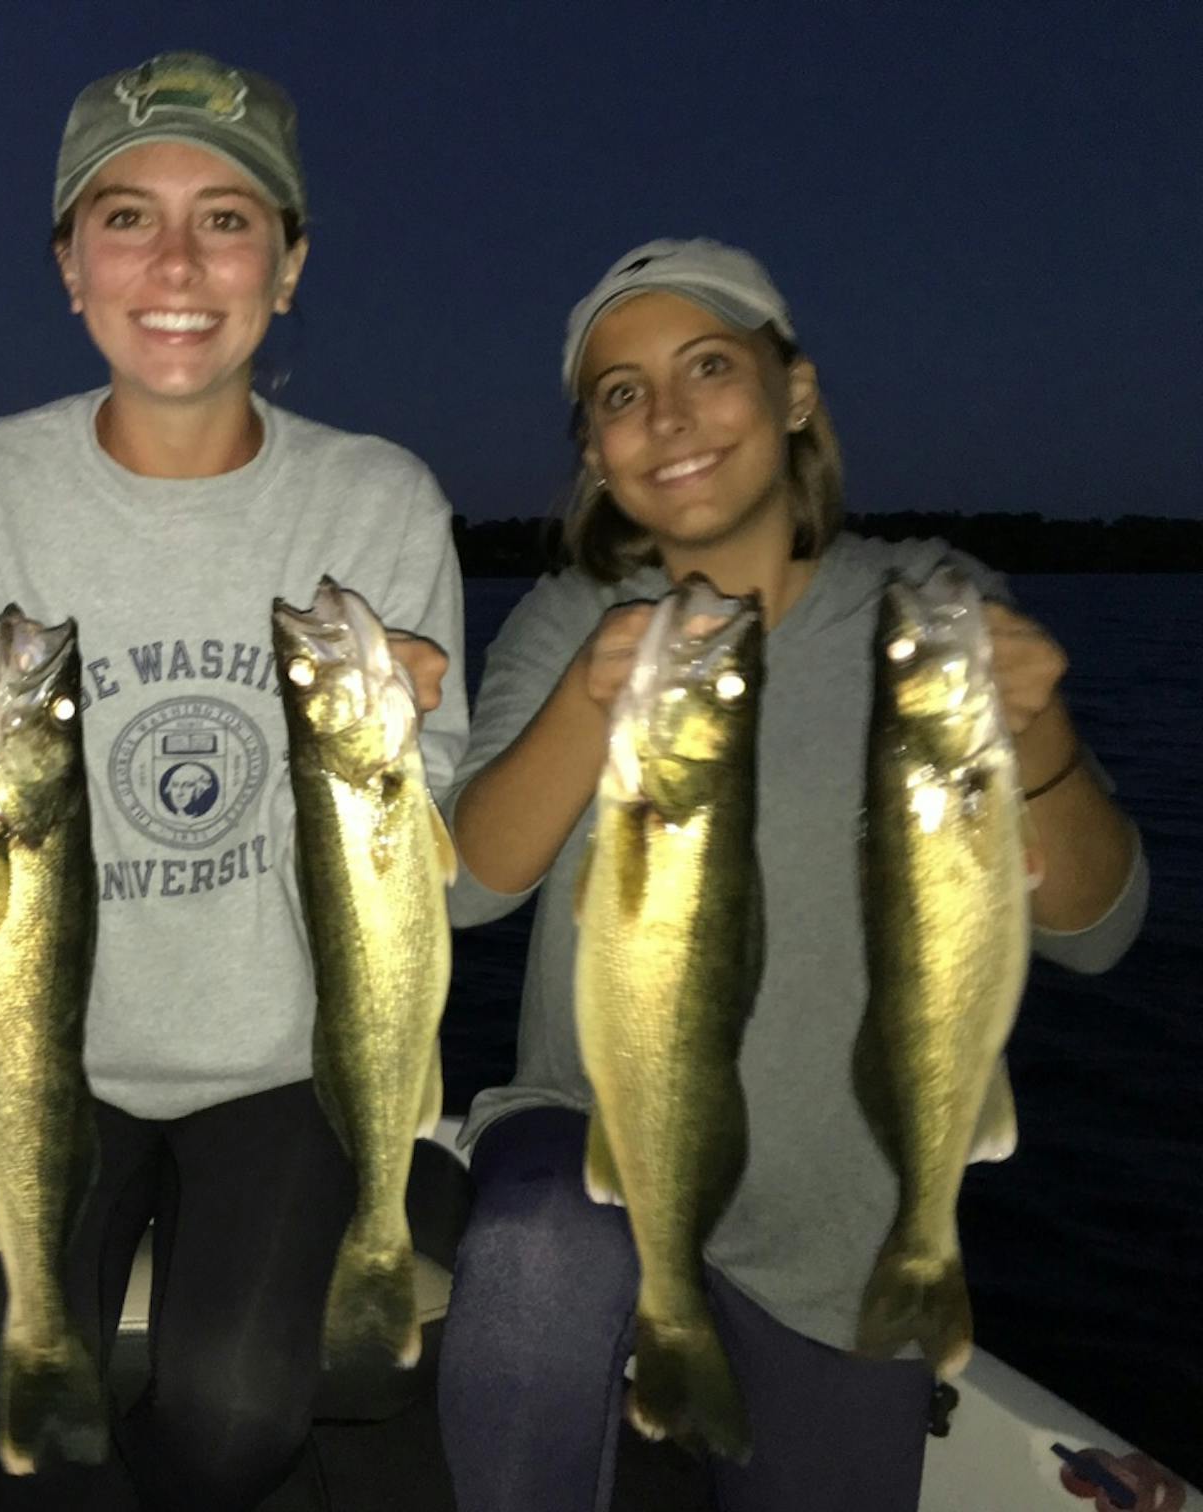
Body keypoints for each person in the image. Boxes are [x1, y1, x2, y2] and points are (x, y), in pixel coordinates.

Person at [433, 238, 1148, 1512]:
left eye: (709, 366)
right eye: (620, 393)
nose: (668, 416)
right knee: (537, 1254)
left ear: (794, 391)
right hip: (598, 1139)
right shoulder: (566, 619)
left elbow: (1098, 930)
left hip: (842, 1218)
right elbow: (458, 891)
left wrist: (1037, 736)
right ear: (597, 454)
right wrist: (587, 709)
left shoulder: (930, 604)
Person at [0, 50, 469, 1512]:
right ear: (69, 265)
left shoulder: (378, 498)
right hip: (47, 1057)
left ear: (288, 267)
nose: (176, 260)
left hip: (284, 1061)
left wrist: (402, 739)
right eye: (124, 216)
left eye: (227, 219)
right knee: (2, 1403)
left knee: (236, 1417)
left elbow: (426, 835)